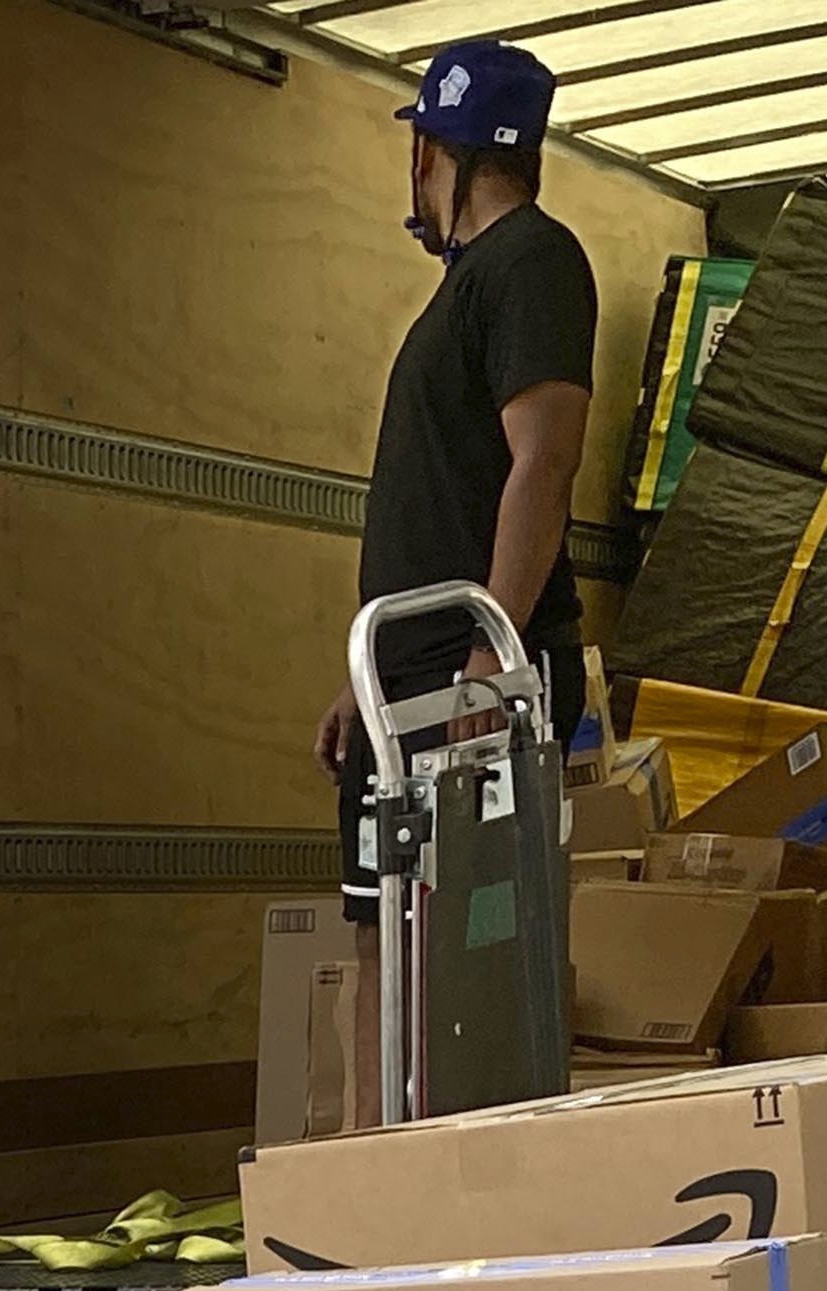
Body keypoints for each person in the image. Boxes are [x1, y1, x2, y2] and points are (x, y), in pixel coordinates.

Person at [319, 42, 600, 811]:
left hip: (467, 671)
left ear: (428, 153)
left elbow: (546, 459)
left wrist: (494, 657)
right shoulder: (473, 283)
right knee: (384, 922)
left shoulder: (532, 260)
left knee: (463, 927)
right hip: (413, 675)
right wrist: (371, 674)